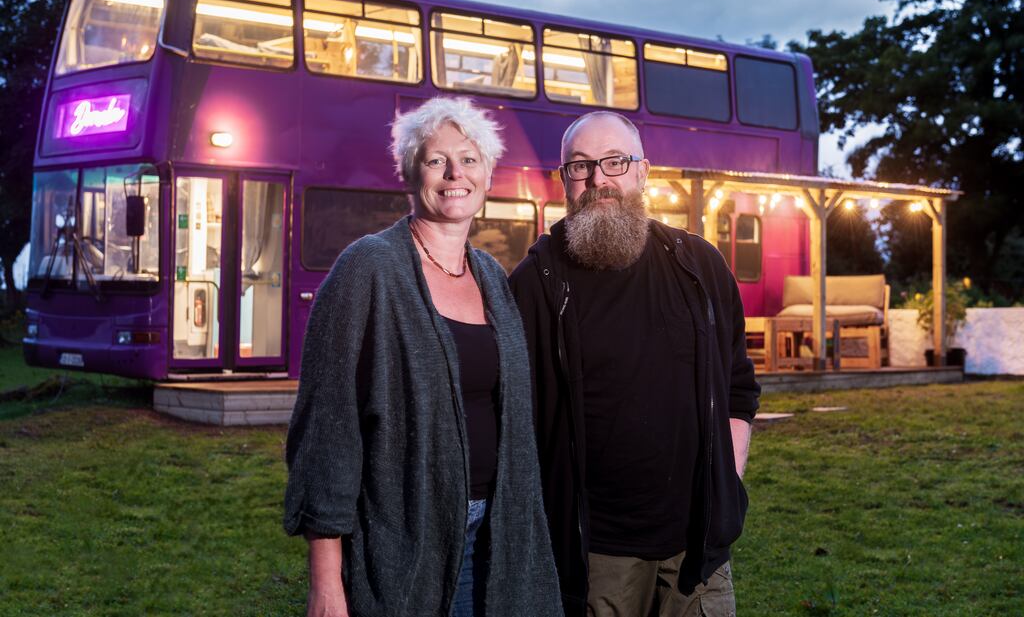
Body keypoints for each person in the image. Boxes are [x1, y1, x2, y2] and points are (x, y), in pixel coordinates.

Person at [284, 97, 561, 617]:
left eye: (470, 159)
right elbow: (328, 427)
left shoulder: (492, 277)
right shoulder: (368, 268)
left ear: (487, 175)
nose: (455, 172)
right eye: (437, 160)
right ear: (411, 173)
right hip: (407, 543)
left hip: (501, 538)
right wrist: (326, 582)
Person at [509, 111, 760, 617]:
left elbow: (737, 388)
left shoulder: (700, 265)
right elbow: (514, 423)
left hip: (698, 549)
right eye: (580, 166)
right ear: (563, 181)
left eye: (615, 162)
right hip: (594, 554)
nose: (599, 180)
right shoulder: (534, 283)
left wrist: (726, 485)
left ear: (643, 172)